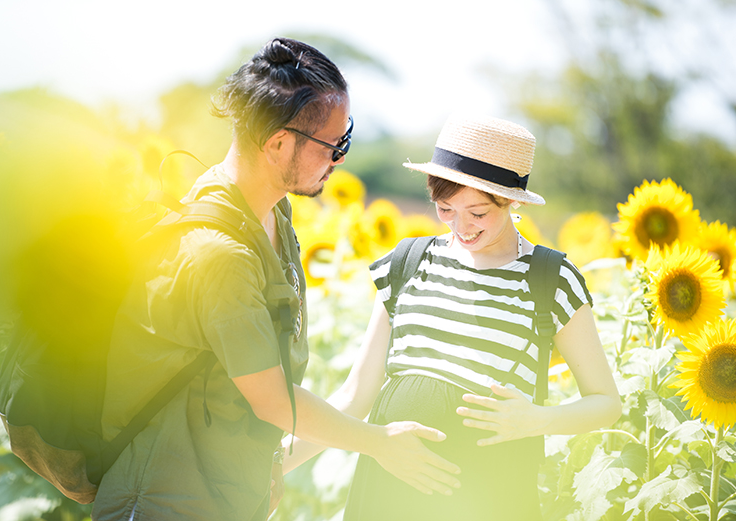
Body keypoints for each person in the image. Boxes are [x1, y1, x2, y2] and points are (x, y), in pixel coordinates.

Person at [90, 38, 460, 521]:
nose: (340, 159)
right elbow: (270, 400)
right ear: (278, 143)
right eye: (333, 145)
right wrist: (379, 443)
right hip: (165, 502)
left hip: (225, 499)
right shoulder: (217, 253)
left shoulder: (272, 215)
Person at [282, 114, 622, 520]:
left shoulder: (550, 279)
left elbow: (606, 403)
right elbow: (355, 397)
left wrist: (536, 420)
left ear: (512, 200)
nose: (461, 227)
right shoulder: (408, 263)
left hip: (488, 497)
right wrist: (274, 467)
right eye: (445, 209)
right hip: (387, 494)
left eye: (478, 213)